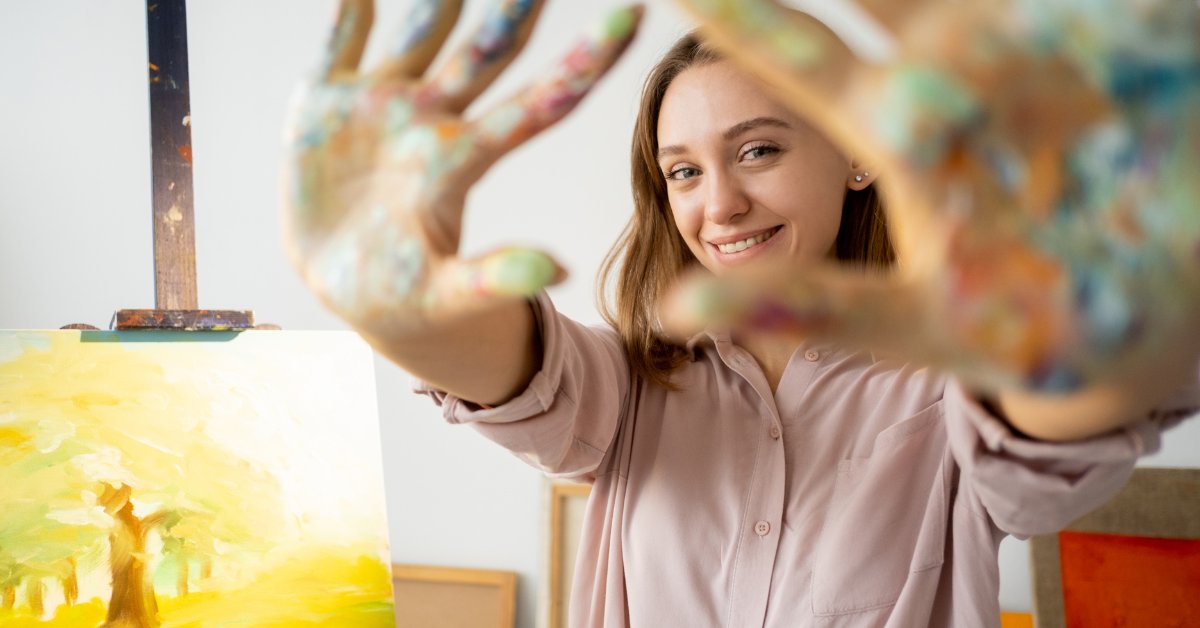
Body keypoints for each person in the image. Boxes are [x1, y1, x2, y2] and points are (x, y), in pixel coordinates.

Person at [281, 1, 1200, 626]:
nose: (716, 204)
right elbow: (511, 372)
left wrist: (1085, 351)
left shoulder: (953, 386)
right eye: (683, 170)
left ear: (858, 155)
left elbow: (1041, 451)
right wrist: (389, 309)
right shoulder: (633, 385)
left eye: (757, 150)